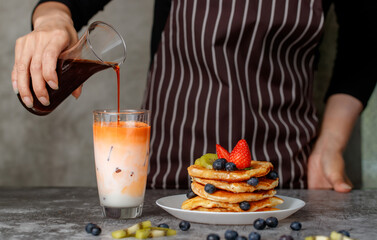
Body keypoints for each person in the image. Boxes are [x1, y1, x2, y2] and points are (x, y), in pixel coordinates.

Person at [12, 0, 377, 191]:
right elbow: (66, 1)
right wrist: (52, 21)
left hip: (282, 179)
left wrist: (329, 146)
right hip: (167, 179)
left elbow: (364, 43)